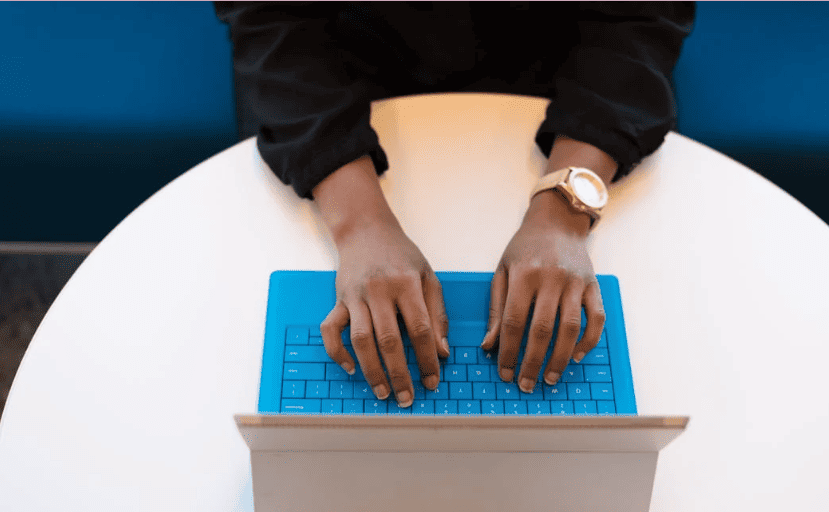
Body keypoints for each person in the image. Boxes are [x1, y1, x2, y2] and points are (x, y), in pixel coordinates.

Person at [214, 1, 696, 408]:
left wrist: (562, 212)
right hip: (332, 81)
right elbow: (272, 17)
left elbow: (639, 17)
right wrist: (360, 223)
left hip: (565, 76)